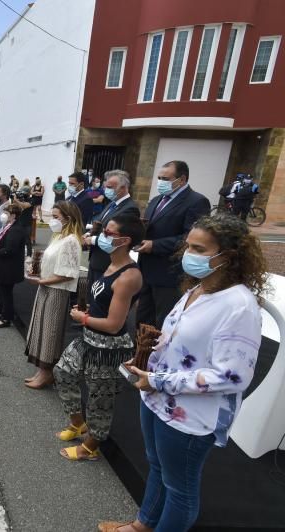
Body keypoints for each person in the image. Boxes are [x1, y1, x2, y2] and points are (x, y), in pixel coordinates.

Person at [99, 214, 265, 532]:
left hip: (191, 416)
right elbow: (180, 342)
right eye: (188, 246)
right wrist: (147, 358)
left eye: (199, 249)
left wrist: (158, 379)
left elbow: (232, 376)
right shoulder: (197, 288)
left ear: (228, 257)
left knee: (180, 490)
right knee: (158, 467)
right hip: (158, 398)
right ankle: (143, 525)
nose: (188, 254)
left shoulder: (239, 307)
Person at [54, 214, 144, 461]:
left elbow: (114, 325)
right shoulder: (110, 264)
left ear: (125, 240)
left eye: (109, 233)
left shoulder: (129, 275)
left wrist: (81, 318)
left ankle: (92, 445)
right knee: (63, 372)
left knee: (100, 400)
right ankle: (78, 423)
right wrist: (87, 315)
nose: (102, 236)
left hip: (108, 348)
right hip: (89, 338)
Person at [136, 160, 211, 328]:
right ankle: (140, 353)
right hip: (146, 270)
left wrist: (155, 245)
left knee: (163, 323)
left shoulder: (196, 201)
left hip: (169, 273)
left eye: (165, 178)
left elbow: (191, 238)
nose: (161, 182)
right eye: (159, 178)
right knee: (142, 319)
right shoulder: (156, 200)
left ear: (182, 179)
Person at [24, 201, 83, 389]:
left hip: (57, 291)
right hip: (46, 288)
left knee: (50, 331)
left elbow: (68, 273)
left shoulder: (72, 241)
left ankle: (47, 372)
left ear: (68, 218)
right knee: (40, 327)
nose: (53, 220)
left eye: (56, 217)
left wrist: (42, 281)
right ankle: (41, 370)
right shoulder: (58, 237)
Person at [85, 170, 140, 287]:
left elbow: (119, 237)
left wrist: (94, 240)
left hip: (108, 262)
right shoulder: (112, 204)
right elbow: (101, 225)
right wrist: (90, 233)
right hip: (96, 259)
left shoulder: (129, 208)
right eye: (106, 187)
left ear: (123, 188)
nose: (106, 190)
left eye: (110, 187)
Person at [0, 203, 26, 328]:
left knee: (6, 294)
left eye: (6, 213)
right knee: (1, 292)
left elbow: (10, 250)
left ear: (13, 215)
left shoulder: (16, 229)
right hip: (3, 265)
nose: (4, 215)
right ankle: (0, 313)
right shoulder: (8, 227)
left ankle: (6, 318)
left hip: (9, 267)